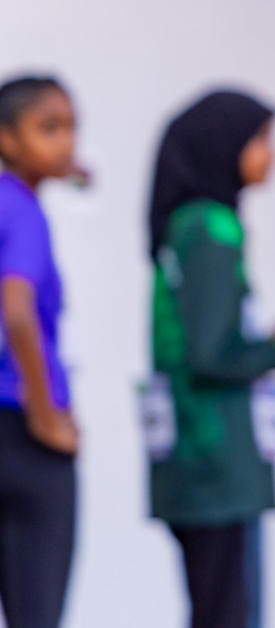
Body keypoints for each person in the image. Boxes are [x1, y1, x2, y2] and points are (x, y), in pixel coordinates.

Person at [145, 91, 275, 628]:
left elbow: (202, 334)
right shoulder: (213, 226)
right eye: (263, 140)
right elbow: (208, 354)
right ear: (223, 146)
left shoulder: (187, 226)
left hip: (196, 465)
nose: (274, 155)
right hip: (216, 467)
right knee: (229, 615)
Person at [0, 76, 82, 628]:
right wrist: (45, 414)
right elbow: (17, 311)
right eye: (48, 128)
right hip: (25, 439)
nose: (67, 143)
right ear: (7, 139)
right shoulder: (24, 211)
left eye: (72, 128)